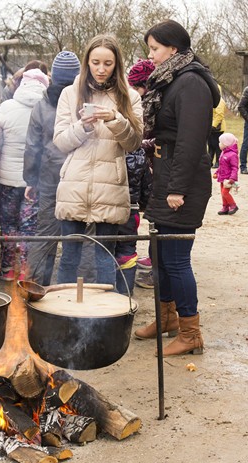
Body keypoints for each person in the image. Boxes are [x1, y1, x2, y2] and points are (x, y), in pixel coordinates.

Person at [133, 19, 220, 356]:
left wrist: (177, 188)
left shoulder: (191, 83)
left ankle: (190, 332)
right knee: (159, 255)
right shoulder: (172, 80)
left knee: (176, 258)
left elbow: (191, 140)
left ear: (173, 48)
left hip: (183, 182)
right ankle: (167, 318)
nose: (150, 55)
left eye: (154, 48)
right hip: (166, 175)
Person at [52, 35, 143, 286]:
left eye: (108, 63)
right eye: (95, 62)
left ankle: (106, 320)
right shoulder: (70, 94)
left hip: (110, 187)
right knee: (69, 257)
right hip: (74, 186)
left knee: (105, 257)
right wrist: (83, 126)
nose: (101, 69)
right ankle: (63, 312)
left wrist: (115, 119)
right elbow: (60, 141)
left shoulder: (130, 97)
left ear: (117, 65)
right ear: (87, 62)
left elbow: (133, 142)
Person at [24, 51, 81, 286]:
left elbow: (32, 146)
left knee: (46, 232)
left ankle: (36, 285)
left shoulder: (42, 105)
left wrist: (30, 179)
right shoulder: (85, 102)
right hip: (78, 175)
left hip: (49, 176)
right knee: (80, 235)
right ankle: (81, 288)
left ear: (52, 76)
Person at [0, 69, 50, 281]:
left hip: (7, 178)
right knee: (29, 225)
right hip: (33, 180)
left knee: (8, 224)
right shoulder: (45, 108)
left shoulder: (7, 107)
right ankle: (26, 269)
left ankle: (7, 268)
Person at [112, 59, 155, 294]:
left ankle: (122, 297)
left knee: (123, 249)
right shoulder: (135, 149)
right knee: (123, 249)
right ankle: (122, 296)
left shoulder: (133, 148)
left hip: (127, 205)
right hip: (129, 206)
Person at [214, 133, 239, 215]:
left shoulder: (232, 155)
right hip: (222, 178)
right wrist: (217, 172)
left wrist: (232, 179)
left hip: (228, 179)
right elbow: (221, 165)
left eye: (220, 142)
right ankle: (225, 207)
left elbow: (235, 168)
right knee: (222, 192)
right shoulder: (223, 153)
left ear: (226, 144)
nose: (219, 144)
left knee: (225, 192)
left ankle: (233, 205)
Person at [208, 84, 226, 168]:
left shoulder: (219, 101)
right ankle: (209, 161)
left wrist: (213, 126)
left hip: (217, 128)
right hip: (211, 127)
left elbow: (219, 115)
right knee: (211, 145)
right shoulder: (210, 100)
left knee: (217, 146)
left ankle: (218, 162)